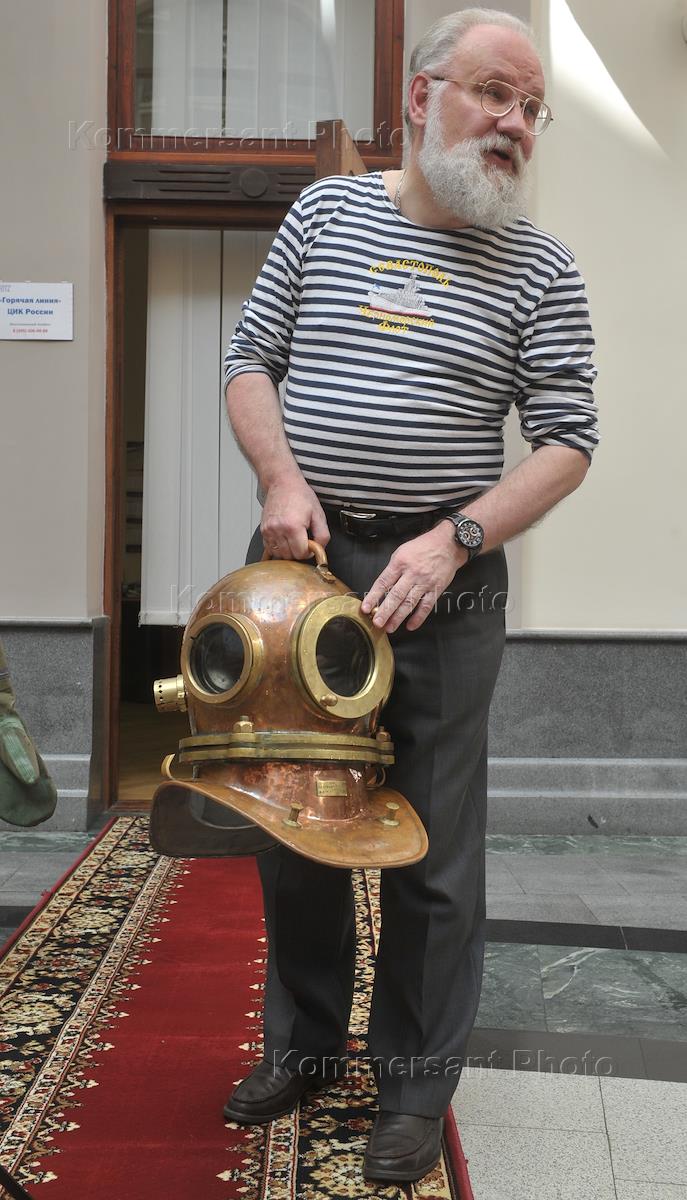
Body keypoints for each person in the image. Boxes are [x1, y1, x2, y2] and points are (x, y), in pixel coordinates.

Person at [222, 7, 598, 1184]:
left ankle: (413, 1087)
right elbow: (250, 360)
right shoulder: (326, 214)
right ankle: (303, 1047)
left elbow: (569, 440)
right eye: (495, 93)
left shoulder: (542, 266)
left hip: (447, 584)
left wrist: (453, 540)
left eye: (533, 108)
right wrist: (281, 478)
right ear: (423, 95)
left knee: (432, 845)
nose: (516, 122)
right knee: (298, 817)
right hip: (305, 562)